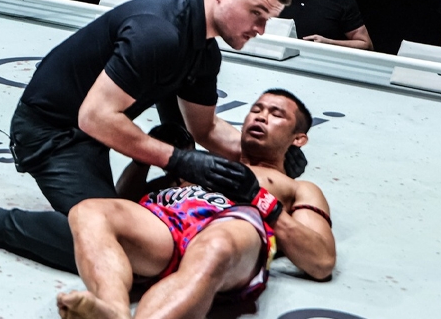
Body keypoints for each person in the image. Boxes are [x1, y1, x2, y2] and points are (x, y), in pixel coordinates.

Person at [0, 0, 292, 273]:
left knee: (139, 237)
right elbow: (95, 116)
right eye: (257, 13)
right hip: (49, 134)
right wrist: (180, 160)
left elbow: (207, 130)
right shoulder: (158, 32)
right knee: (112, 249)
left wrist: (274, 154)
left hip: (92, 135)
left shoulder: (203, 52)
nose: (260, 29)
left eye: (267, 19)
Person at [55, 89, 335, 319]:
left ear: (299, 138)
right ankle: (113, 309)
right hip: (166, 225)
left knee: (216, 245)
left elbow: (321, 261)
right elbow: (123, 207)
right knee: (89, 210)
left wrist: (259, 199)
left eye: (276, 114)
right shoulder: (204, 164)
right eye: (256, 110)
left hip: (232, 228)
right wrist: (143, 161)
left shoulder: (299, 188)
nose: (261, 117)